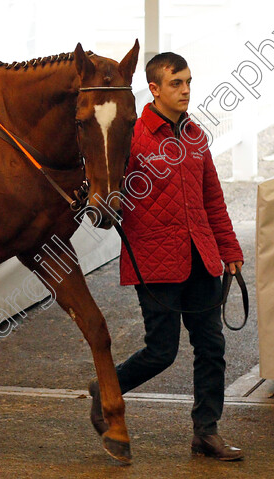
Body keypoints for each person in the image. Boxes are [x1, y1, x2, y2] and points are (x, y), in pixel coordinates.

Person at [90, 52, 245, 461]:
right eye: (177, 84)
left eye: (189, 82)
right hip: (155, 260)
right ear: (155, 88)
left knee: (211, 347)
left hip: (202, 258)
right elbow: (106, 187)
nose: (186, 91)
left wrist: (229, 249)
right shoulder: (132, 136)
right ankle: (106, 387)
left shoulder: (195, 135)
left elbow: (212, 197)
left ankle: (206, 432)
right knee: (162, 351)